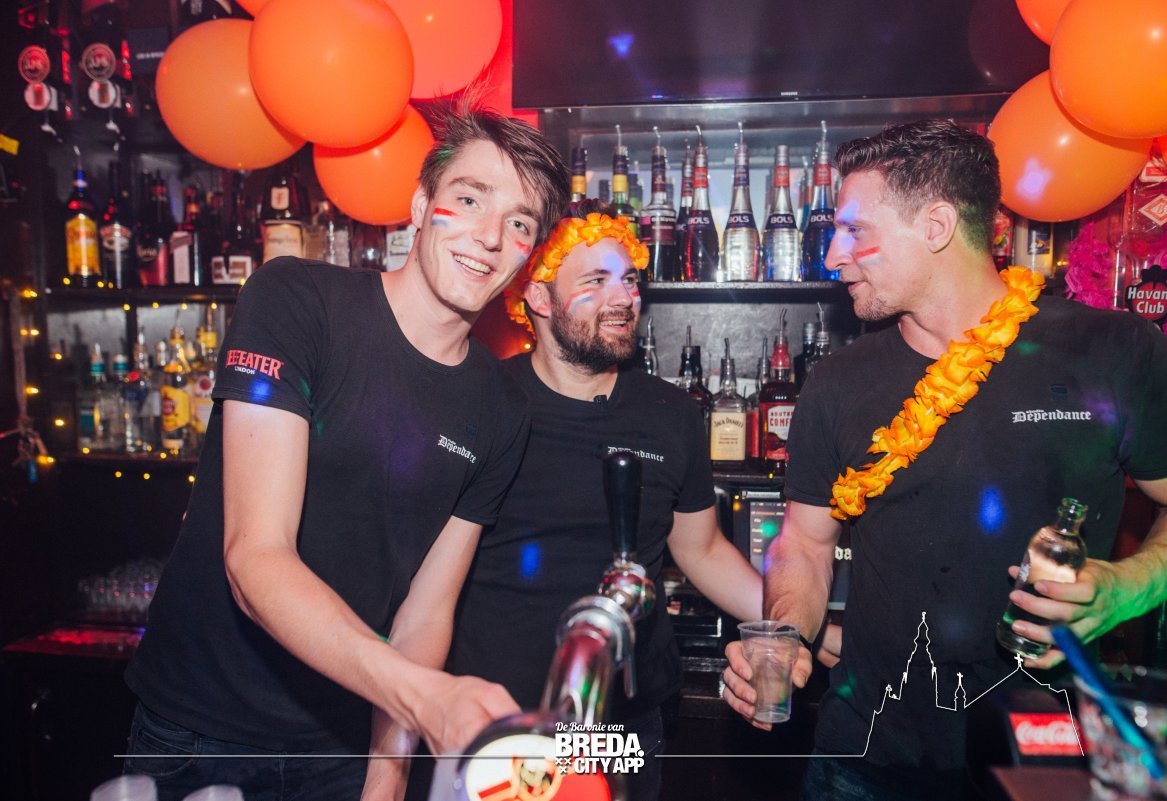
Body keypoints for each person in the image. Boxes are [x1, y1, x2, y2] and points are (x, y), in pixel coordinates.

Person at [721, 119, 1167, 800]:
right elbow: (804, 541)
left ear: (938, 226)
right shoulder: (838, 381)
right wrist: (788, 637)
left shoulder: (1114, 352)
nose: (831, 255)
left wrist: (1130, 585)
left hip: (1044, 755)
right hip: (863, 757)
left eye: (854, 230)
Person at [122, 98, 570, 801]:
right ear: (420, 206)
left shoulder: (503, 407)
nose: (489, 235)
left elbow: (426, 610)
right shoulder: (297, 300)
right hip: (198, 733)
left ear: (527, 255)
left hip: (343, 745)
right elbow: (255, 557)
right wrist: (425, 698)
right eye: (469, 198)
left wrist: (387, 771)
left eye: (520, 223)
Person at [446, 200, 763, 801]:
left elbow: (702, 550)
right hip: (502, 707)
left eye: (630, 280)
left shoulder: (670, 413)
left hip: (625, 715)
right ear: (538, 298)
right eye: (595, 281)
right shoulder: (483, 402)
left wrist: (796, 624)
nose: (624, 299)